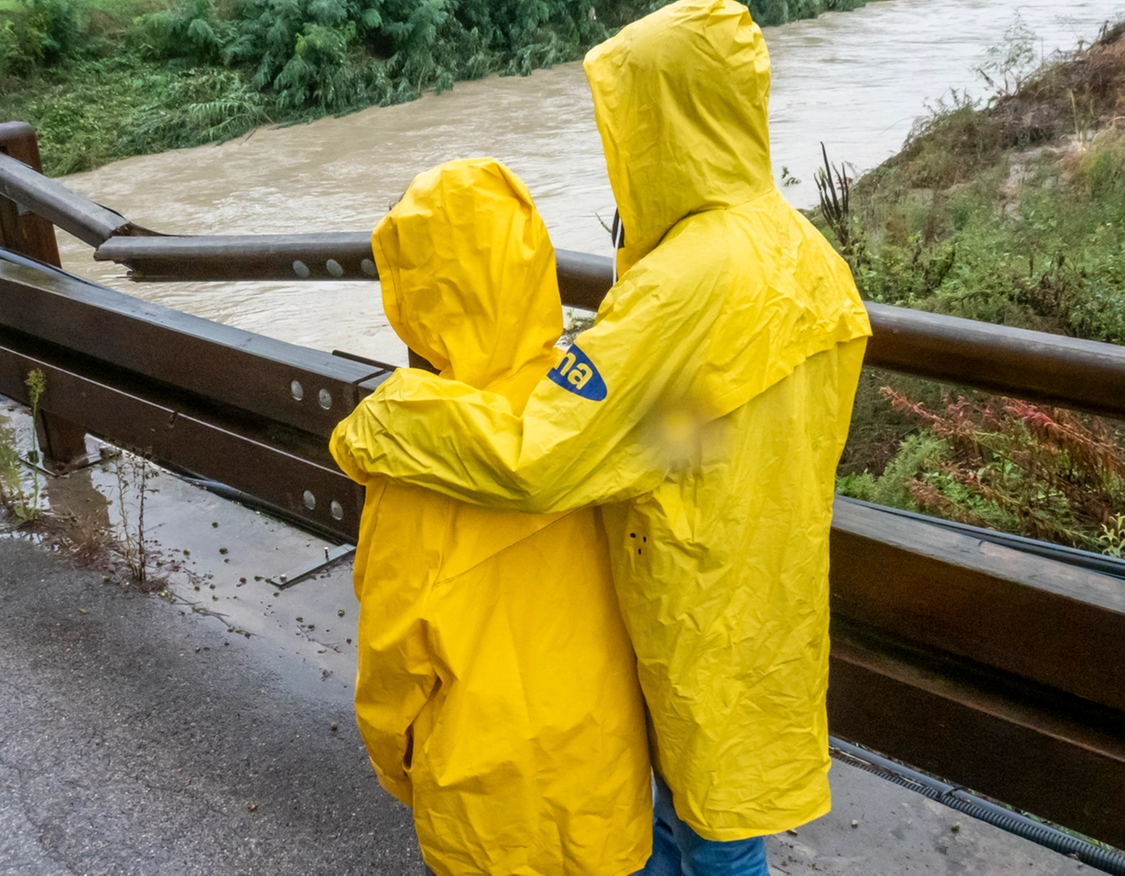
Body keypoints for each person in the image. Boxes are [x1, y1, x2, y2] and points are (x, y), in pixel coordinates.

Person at [331, 0, 872, 873]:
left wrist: (391, 420)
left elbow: (539, 457)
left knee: (710, 847)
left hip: (684, 608)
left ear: (662, 120)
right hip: (764, 598)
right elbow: (702, 429)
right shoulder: (805, 255)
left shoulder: (684, 286)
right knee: (717, 828)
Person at [345, 157, 653, 876]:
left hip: (484, 807)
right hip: (603, 773)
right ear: (532, 260)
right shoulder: (592, 408)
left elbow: (392, 654)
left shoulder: (415, 457)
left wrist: (399, 769)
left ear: (410, 297)